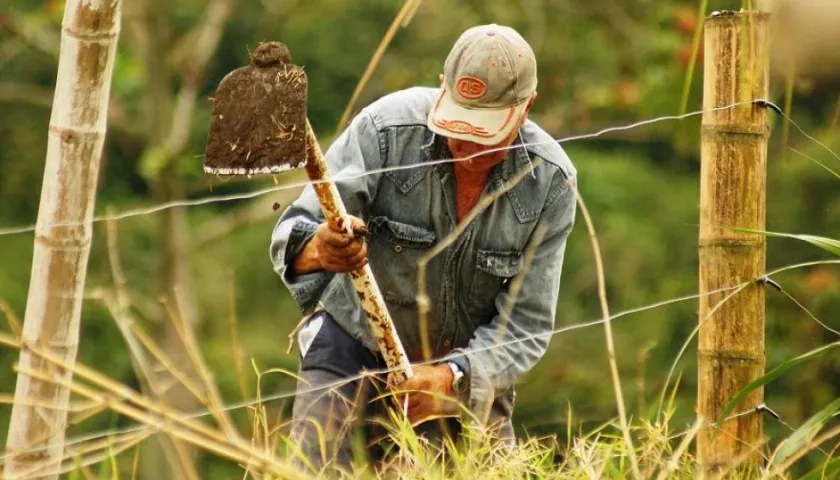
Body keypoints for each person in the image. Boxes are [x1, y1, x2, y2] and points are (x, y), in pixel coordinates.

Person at [269, 23, 577, 473]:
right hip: (351, 348)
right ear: (442, 88)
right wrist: (321, 249)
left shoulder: (550, 182)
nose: (467, 146)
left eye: (485, 133)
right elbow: (293, 234)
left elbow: (525, 326)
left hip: (463, 375)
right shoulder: (385, 130)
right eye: (458, 127)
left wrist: (450, 379)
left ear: (526, 107)